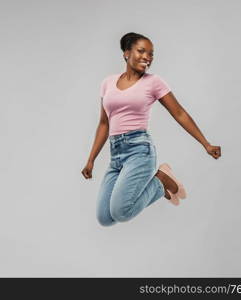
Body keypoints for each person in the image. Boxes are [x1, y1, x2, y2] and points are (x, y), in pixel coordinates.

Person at [81, 32, 221, 226]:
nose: (147, 57)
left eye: (151, 54)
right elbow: (104, 123)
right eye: (141, 51)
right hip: (116, 155)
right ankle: (160, 182)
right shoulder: (107, 83)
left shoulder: (153, 82)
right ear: (126, 53)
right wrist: (91, 160)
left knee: (121, 213)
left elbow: (179, 113)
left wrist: (206, 143)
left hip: (139, 151)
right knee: (105, 218)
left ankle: (160, 181)